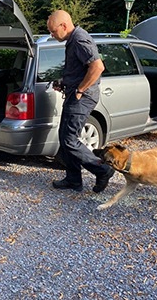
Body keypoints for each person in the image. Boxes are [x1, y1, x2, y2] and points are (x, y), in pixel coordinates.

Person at [47, 10, 115, 193]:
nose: (52, 35)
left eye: (53, 31)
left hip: (82, 98)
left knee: (69, 139)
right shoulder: (72, 40)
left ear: (64, 25)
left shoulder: (79, 39)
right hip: (74, 95)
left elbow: (97, 66)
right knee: (65, 137)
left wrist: (80, 90)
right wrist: (65, 83)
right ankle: (73, 180)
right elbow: (80, 70)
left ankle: (103, 169)